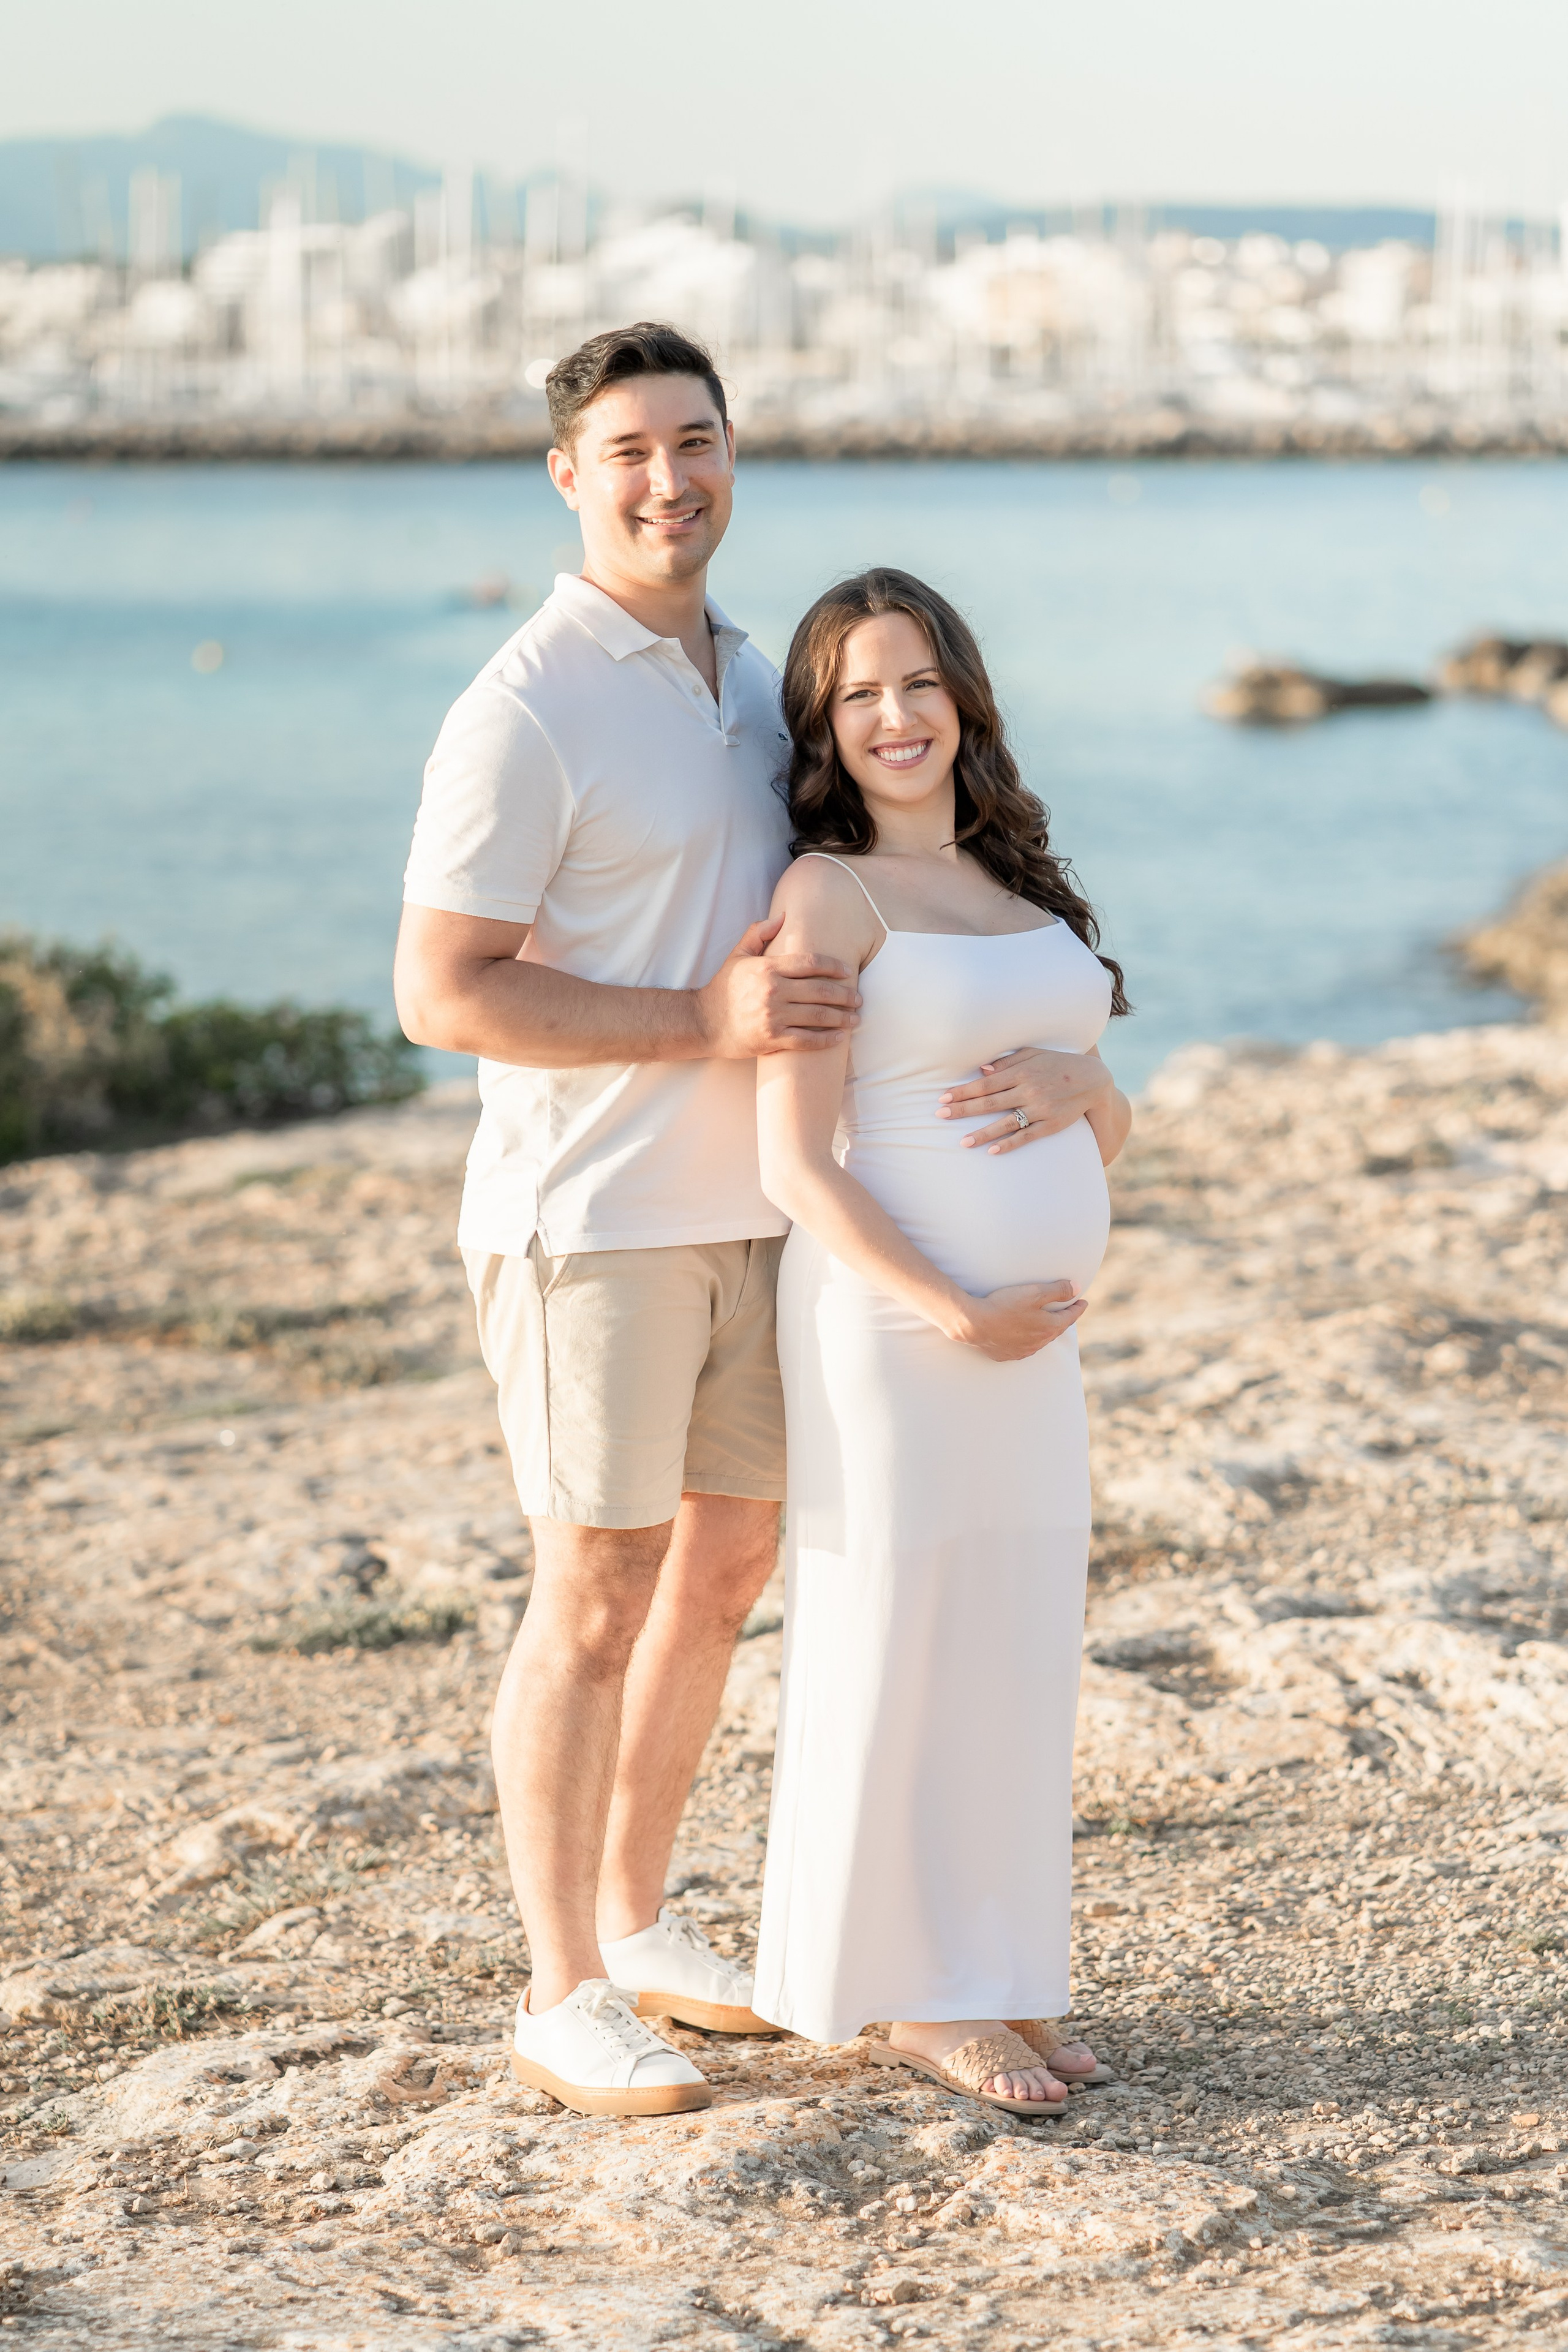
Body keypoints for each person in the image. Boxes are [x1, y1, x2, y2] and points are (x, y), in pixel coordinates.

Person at [394, 323, 1115, 2121]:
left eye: (697, 440)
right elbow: (440, 991)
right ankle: (561, 1987)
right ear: (568, 475)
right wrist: (698, 1030)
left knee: (721, 1581)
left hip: (768, 1236)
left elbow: (894, 905)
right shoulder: (524, 705)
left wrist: (1085, 1077)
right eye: (628, 449)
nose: (669, 477)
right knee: (594, 1587)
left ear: (734, 455)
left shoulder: (744, 680)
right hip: (597, 1219)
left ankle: (638, 1925)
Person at [751, 567, 1132, 2114]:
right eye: (856, 697)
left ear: (961, 694)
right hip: (894, 1325)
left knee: (1012, 1632)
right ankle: (904, 1989)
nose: (893, 718)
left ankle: (997, 1969)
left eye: (915, 683)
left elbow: (1108, 1108)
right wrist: (950, 1307)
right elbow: (795, 1163)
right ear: (824, 732)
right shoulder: (826, 896)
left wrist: (1084, 1091)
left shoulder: (1015, 879)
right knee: (898, 1629)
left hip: (1028, 1341)